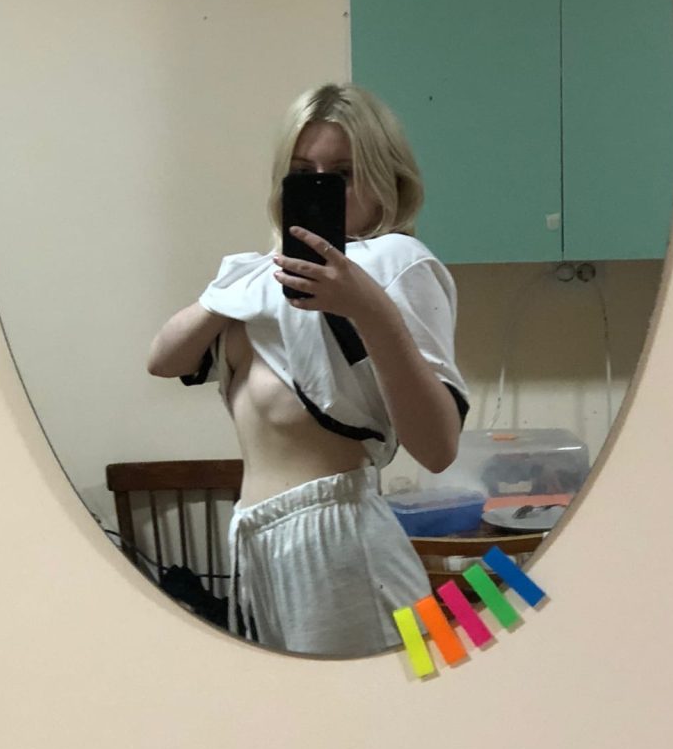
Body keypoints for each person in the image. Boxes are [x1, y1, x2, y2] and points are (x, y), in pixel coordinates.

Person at [147, 83, 468, 657]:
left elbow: (438, 447)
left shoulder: (396, 262)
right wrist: (228, 293)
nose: (323, 187)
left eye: (344, 173)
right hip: (258, 541)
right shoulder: (253, 278)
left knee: (391, 704)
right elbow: (164, 360)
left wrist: (370, 308)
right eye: (303, 174)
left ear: (386, 180)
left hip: (339, 541)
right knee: (313, 712)